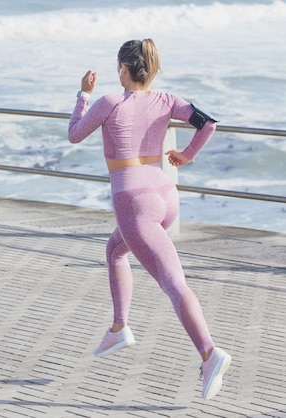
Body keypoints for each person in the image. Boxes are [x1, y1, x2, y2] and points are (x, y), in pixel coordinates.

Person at [67, 39, 231, 400]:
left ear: (123, 69)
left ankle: (209, 353)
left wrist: (83, 94)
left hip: (133, 202)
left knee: (174, 284)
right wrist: (187, 155)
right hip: (164, 194)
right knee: (115, 250)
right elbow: (208, 124)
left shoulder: (109, 103)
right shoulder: (168, 100)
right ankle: (119, 327)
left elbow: (74, 133)